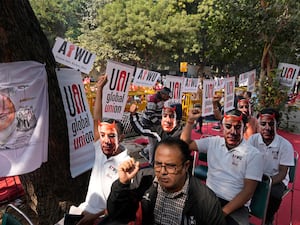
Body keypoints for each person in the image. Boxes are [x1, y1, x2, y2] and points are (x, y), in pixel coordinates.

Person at [105, 137, 226, 225]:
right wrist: (122, 183)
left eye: (170, 166)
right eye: (158, 164)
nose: (162, 172)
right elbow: (117, 214)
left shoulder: (205, 200)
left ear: (186, 166)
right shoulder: (145, 180)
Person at [181, 108, 264, 225]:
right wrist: (190, 122)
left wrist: (220, 213)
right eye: (228, 126)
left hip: (235, 206)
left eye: (237, 127)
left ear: (244, 129)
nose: (233, 131)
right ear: (222, 127)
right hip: (208, 198)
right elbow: (185, 145)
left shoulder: (254, 154)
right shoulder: (213, 142)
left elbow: (247, 192)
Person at [75, 76, 130, 225]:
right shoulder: (100, 150)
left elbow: (121, 206)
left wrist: (95, 216)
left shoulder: (126, 165)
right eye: (103, 135)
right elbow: (96, 120)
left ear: (122, 137)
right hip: (84, 210)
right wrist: (99, 89)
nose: (105, 140)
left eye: (112, 136)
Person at [247, 108, 295, 225]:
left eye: (271, 124)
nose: (267, 128)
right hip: (256, 176)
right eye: (263, 124)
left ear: (276, 125)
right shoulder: (253, 139)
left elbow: (282, 174)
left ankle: (268, 218)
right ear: (258, 124)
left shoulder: (285, 146)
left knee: (274, 194)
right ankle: (244, 212)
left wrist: (264, 183)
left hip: (275, 180)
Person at [139, 87, 172, 161]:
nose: (168, 98)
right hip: (149, 123)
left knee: (156, 141)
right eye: (167, 96)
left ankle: (145, 151)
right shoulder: (153, 99)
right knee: (153, 143)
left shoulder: (161, 99)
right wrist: (159, 124)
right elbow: (150, 114)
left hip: (155, 122)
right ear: (163, 94)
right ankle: (151, 161)